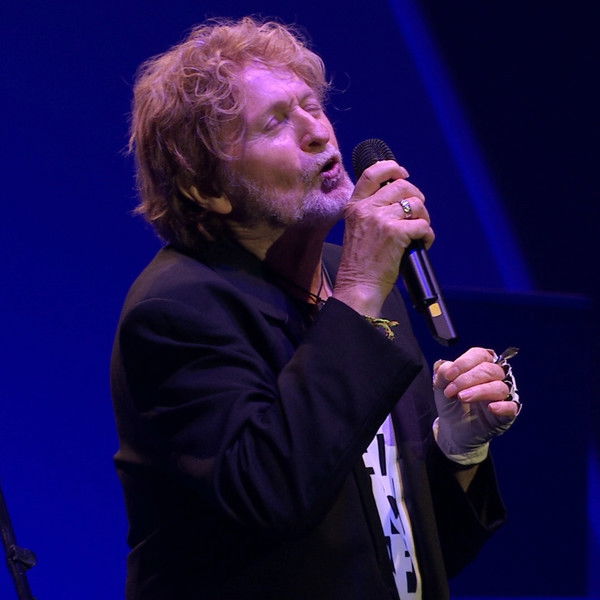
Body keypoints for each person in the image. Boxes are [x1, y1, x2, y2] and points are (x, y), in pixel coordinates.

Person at [111, 17, 520, 600]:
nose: (317, 133)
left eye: (311, 105)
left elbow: (405, 552)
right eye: (275, 122)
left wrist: (458, 446)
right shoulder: (177, 309)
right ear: (208, 188)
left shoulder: (356, 283)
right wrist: (360, 286)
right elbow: (273, 494)